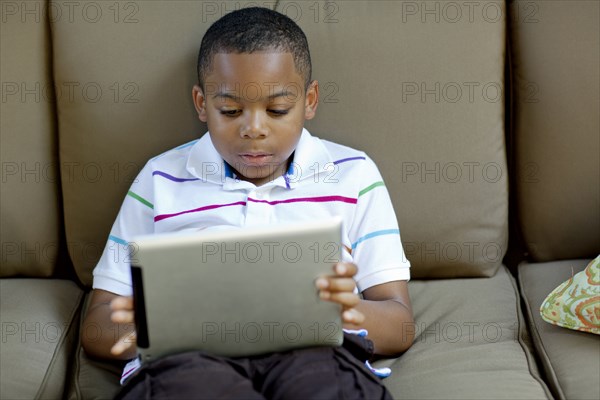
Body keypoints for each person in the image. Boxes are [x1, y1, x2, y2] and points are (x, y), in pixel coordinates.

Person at [82, 7, 414, 399]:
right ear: (202, 104)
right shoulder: (159, 179)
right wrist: (146, 324)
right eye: (230, 111)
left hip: (314, 351)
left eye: (277, 110)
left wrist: (343, 312)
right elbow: (97, 325)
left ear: (309, 101)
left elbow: (400, 324)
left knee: (324, 384)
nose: (254, 129)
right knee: (190, 386)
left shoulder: (354, 175)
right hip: (191, 356)